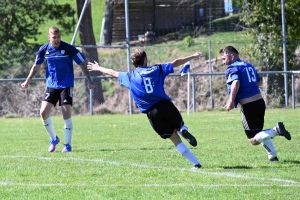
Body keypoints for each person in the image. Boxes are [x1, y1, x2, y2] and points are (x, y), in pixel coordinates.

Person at [87, 48, 204, 169]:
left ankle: (196, 163)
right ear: (145, 59)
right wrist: (192, 56)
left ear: (133, 62)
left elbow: (112, 72)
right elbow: (175, 62)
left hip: (153, 113)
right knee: (179, 126)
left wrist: (98, 68)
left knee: (175, 139)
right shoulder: (157, 69)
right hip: (166, 105)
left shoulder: (130, 76)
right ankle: (183, 129)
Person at [21, 26, 95, 153]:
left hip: (66, 85)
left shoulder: (68, 49)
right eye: (54, 37)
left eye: (58, 37)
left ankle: (68, 145)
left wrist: (89, 79)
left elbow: (82, 63)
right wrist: (27, 80)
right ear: (49, 37)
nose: (57, 40)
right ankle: (54, 139)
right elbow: (36, 66)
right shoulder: (44, 49)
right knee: (43, 113)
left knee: (66, 113)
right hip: (51, 86)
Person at [219, 45, 291, 162]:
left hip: (249, 106)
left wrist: (231, 101)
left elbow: (236, 82)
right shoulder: (248, 65)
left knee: (253, 140)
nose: (223, 62)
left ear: (232, 56)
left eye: (224, 58)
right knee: (260, 133)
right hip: (260, 102)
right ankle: (272, 156)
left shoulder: (232, 68)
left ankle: (276, 130)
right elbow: (259, 82)